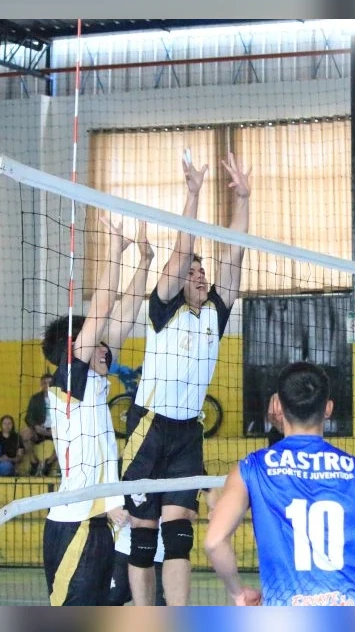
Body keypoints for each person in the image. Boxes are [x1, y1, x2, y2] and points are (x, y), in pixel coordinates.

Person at [122, 153, 251, 606]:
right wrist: (193, 193)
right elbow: (180, 253)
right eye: (191, 273)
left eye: (202, 273)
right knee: (144, 530)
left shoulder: (215, 313)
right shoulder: (163, 308)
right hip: (148, 426)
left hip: (186, 433)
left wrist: (244, 200)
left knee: (178, 534)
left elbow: (234, 254)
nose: (198, 276)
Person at [204, 362, 355, 606]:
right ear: (328, 409)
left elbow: (214, 542)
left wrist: (238, 593)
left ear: (277, 405)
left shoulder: (252, 469)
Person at [39, 217, 139, 605]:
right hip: (74, 522)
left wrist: (143, 260)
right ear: (74, 351)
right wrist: (114, 249)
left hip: (106, 525)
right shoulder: (68, 383)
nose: (104, 348)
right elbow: (100, 308)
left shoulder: (95, 383)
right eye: (93, 342)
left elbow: (122, 317)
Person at [19, 374, 60, 476]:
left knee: (67, 437)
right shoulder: (35, 398)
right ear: (41, 384)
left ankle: (48, 463)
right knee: (25, 433)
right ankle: (34, 462)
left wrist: (56, 428)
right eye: (44, 383)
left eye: (50, 383)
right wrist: (36, 427)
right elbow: (28, 417)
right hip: (40, 430)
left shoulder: (60, 399)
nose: (47, 385)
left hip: (55, 430)